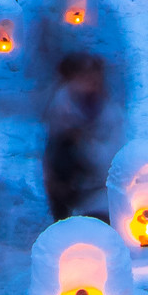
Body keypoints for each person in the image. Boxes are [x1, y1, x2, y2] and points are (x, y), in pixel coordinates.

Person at [40, 52, 121, 221]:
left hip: (98, 186)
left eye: (93, 76)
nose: (88, 81)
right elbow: (50, 152)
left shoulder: (110, 113)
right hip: (67, 186)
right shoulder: (60, 107)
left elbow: (111, 157)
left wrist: (85, 144)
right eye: (82, 76)